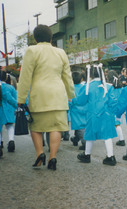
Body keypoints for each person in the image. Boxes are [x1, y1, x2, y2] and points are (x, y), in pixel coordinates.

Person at [17, 25, 75, 170]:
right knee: (56, 127)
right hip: (58, 95)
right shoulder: (61, 52)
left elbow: (25, 77)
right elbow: (67, 76)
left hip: (39, 95)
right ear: (51, 38)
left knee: (36, 127)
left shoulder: (32, 51)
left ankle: (40, 153)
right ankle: (53, 157)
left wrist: (21, 98)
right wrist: (70, 94)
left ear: (35, 38)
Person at [75, 64, 117, 166]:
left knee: (89, 134)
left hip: (92, 114)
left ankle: (87, 155)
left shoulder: (87, 87)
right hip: (106, 114)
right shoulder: (109, 86)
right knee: (107, 136)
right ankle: (110, 157)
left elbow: (81, 101)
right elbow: (113, 102)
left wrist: (73, 100)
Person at [0, 71, 18, 157]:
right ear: (6, 78)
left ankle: (1, 143)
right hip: (9, 109)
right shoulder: (10, 88)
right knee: (10, 126)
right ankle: (11, 141)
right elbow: (14, 98)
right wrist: (16, 105)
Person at [107, 70, 126, 146]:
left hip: (111, 108)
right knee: (117, 123)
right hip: (119, 108)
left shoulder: (109, 87)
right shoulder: (121, 87)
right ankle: (121, 139)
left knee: (115, 124)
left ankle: (121, 140)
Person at [69, 71, 87, 150]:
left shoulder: (70, 89)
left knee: (80, 127)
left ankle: (85, 143)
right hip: (85, 108)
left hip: (75, 110)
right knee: (83, 126)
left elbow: (69, 101)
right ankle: (76, 138)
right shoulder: (84, 87)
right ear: (81, 79)